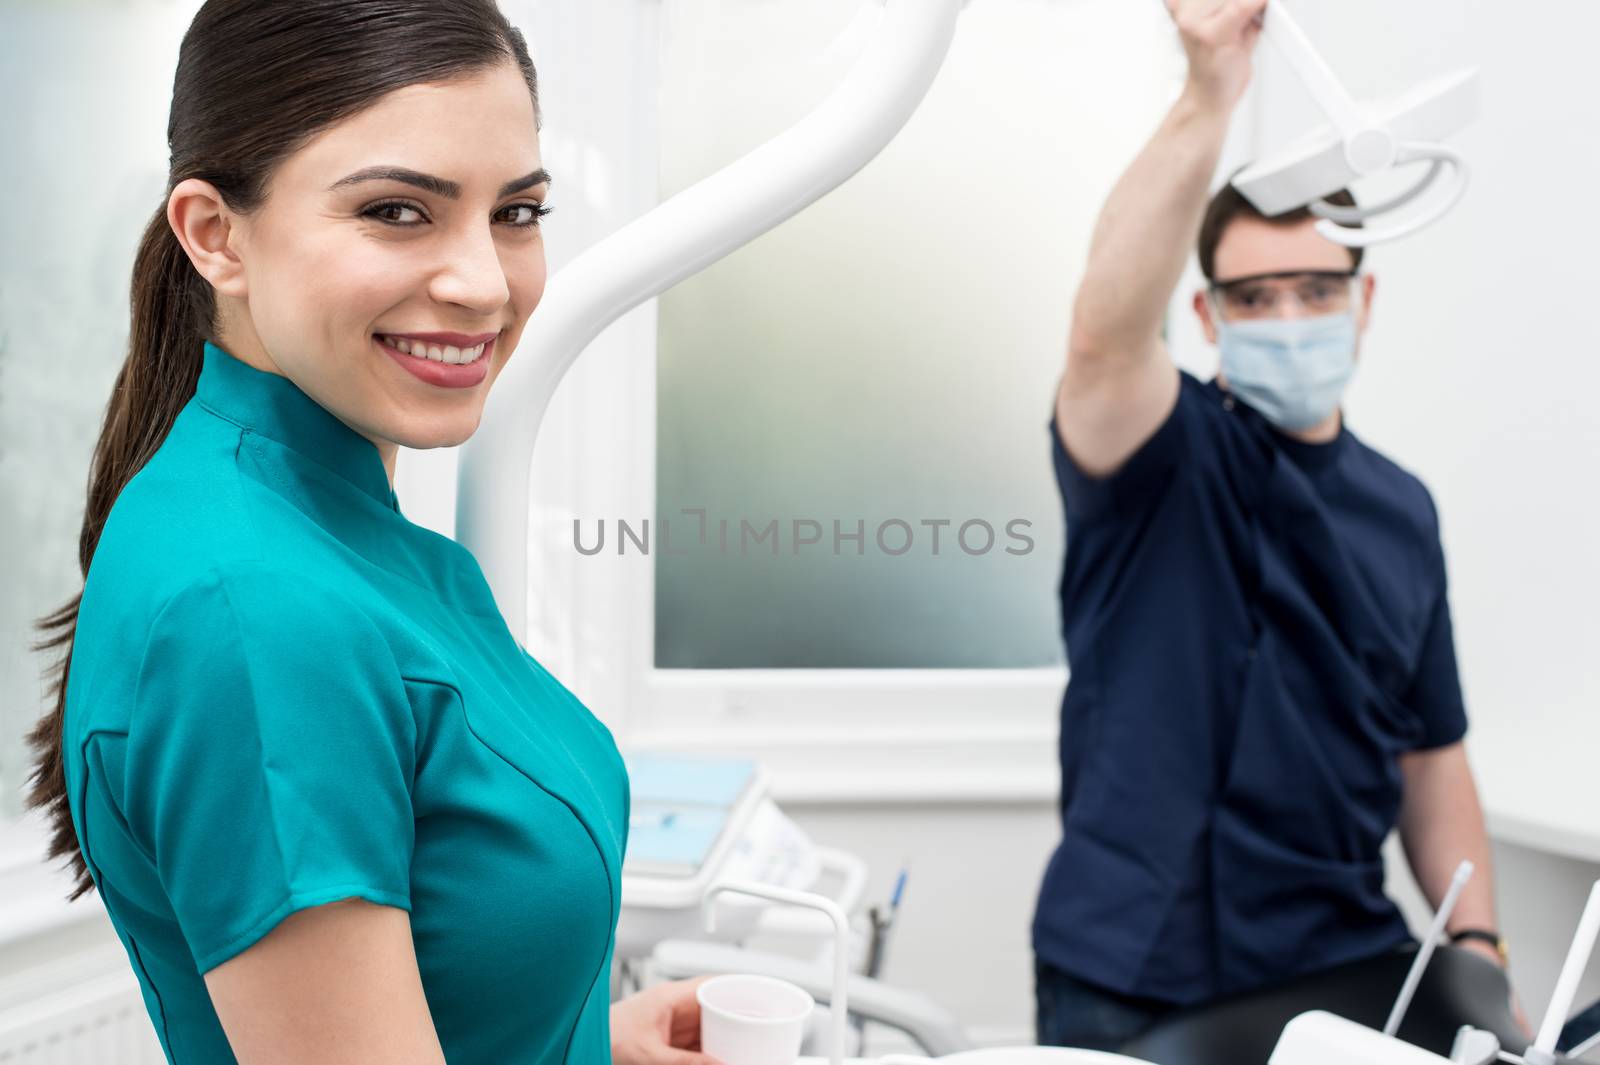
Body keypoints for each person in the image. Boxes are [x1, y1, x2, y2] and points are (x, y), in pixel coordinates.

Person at [24, 3, 712, 1063]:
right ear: (216, 235)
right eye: (398, 211)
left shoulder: (327, 524)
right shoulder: (254, 607)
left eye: (516, 213)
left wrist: (592, 1045)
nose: (483, 282)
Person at [1031, 0, 1517, 1050]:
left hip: (1340, 964)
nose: (1287, 318)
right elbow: (1104, 331)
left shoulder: (1401, 511)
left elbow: (1432, 758)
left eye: (1313, 289)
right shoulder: (1155, 456)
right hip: (1131, 970)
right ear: (1206, 318)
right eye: (1252, 298)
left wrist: (1476, 944)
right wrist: (1208, 95)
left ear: (1363, 299)